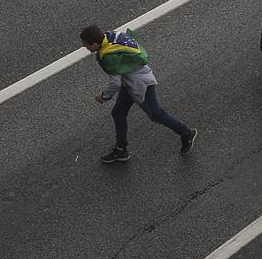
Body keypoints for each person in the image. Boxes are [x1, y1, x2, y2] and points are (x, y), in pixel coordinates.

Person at [80, 25, 196, 163]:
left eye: (86, 46)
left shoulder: (108, 55)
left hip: (140, 84)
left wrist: (104, 96)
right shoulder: (110, 36)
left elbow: (115, 83)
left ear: (95, 44)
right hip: (131, 80)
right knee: (118, 112)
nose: (86, 49)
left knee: (155, 114)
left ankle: (186, 133)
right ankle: (121, 149)